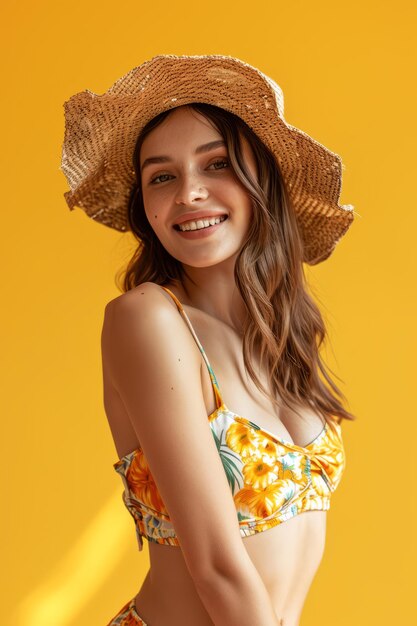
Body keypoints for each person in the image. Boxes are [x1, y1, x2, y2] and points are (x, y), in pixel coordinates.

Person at [60, 54, 356, 626]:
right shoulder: (147, 318)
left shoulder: (282, 342)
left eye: (216, 164)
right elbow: (218, 565)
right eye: (162, 176)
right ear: (145, 206)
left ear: (259, 183)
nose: (190, 192)